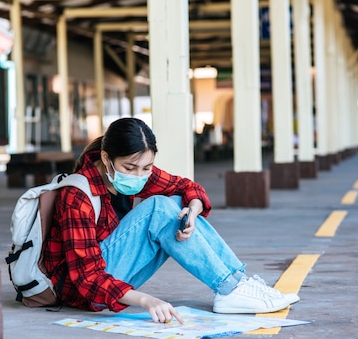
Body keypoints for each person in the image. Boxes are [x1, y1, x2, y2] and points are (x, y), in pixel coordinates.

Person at [43, 117, 299, 324]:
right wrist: (146, 300)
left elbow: (186, 186)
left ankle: (236, 283)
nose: (138, 175)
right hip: (84, 292)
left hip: (111, 274)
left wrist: (194, 209)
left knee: (177, 203)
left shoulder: (137, 172)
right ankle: (229, 289)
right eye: (130, 168)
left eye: (147, 167)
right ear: (107, 158)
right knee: (159, 208)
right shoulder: (77, 195)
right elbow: (86, 278)